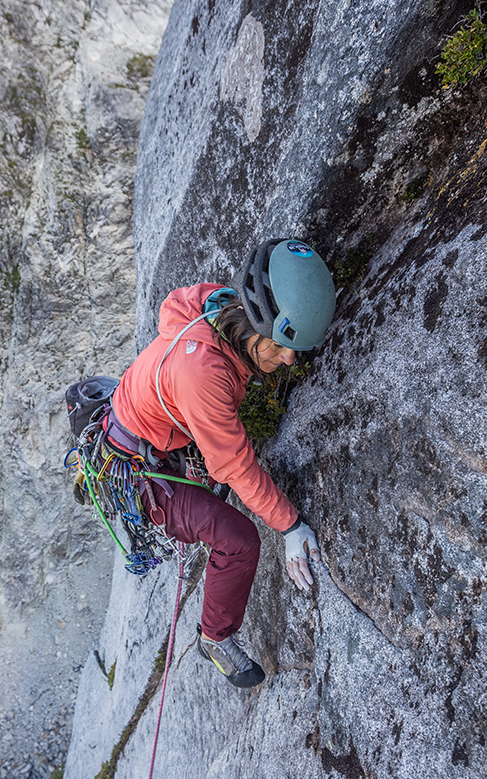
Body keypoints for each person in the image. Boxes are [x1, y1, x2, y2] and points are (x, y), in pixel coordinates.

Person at [102, 238, 336, 688]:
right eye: (281, 346)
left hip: (150, 434)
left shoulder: (216, 305)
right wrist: (289, 527)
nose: (289, 359)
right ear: (255, 323)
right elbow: (233, 466)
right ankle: (215, 638)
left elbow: (176, 305)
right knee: (240, 539)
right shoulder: (203, 374)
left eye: (295, 348)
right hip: (139, 472)